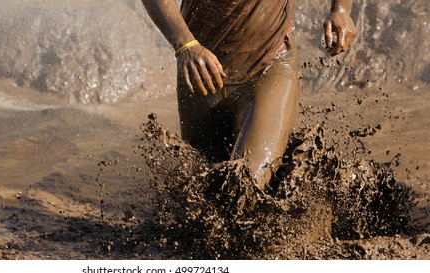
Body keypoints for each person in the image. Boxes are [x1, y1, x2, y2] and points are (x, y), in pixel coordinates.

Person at [141, 0, 357, 186]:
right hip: (201, 73)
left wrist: (341, 10)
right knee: (200, 193)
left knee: (246, 188)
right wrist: (185, 45)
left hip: (268, 65)